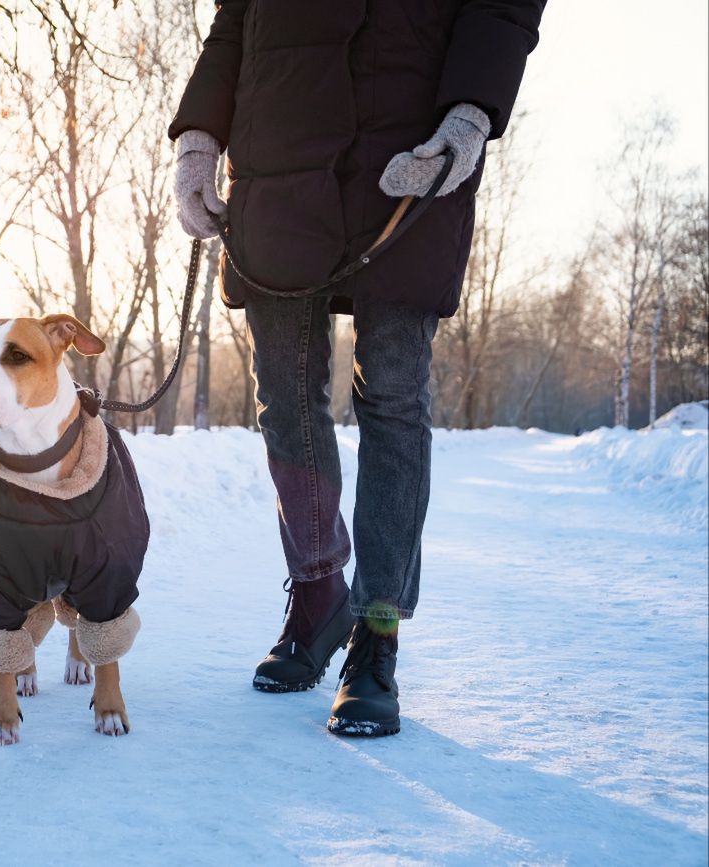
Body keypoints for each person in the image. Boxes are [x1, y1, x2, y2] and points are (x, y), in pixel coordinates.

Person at [169, 1, 545, 736]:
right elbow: (235, 16)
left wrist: (471, 113)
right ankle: (317, 593)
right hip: (279, 143)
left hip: (410, 142)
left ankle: (376, 630)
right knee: (283, 394)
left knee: (395, 396)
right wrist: (198, 136)